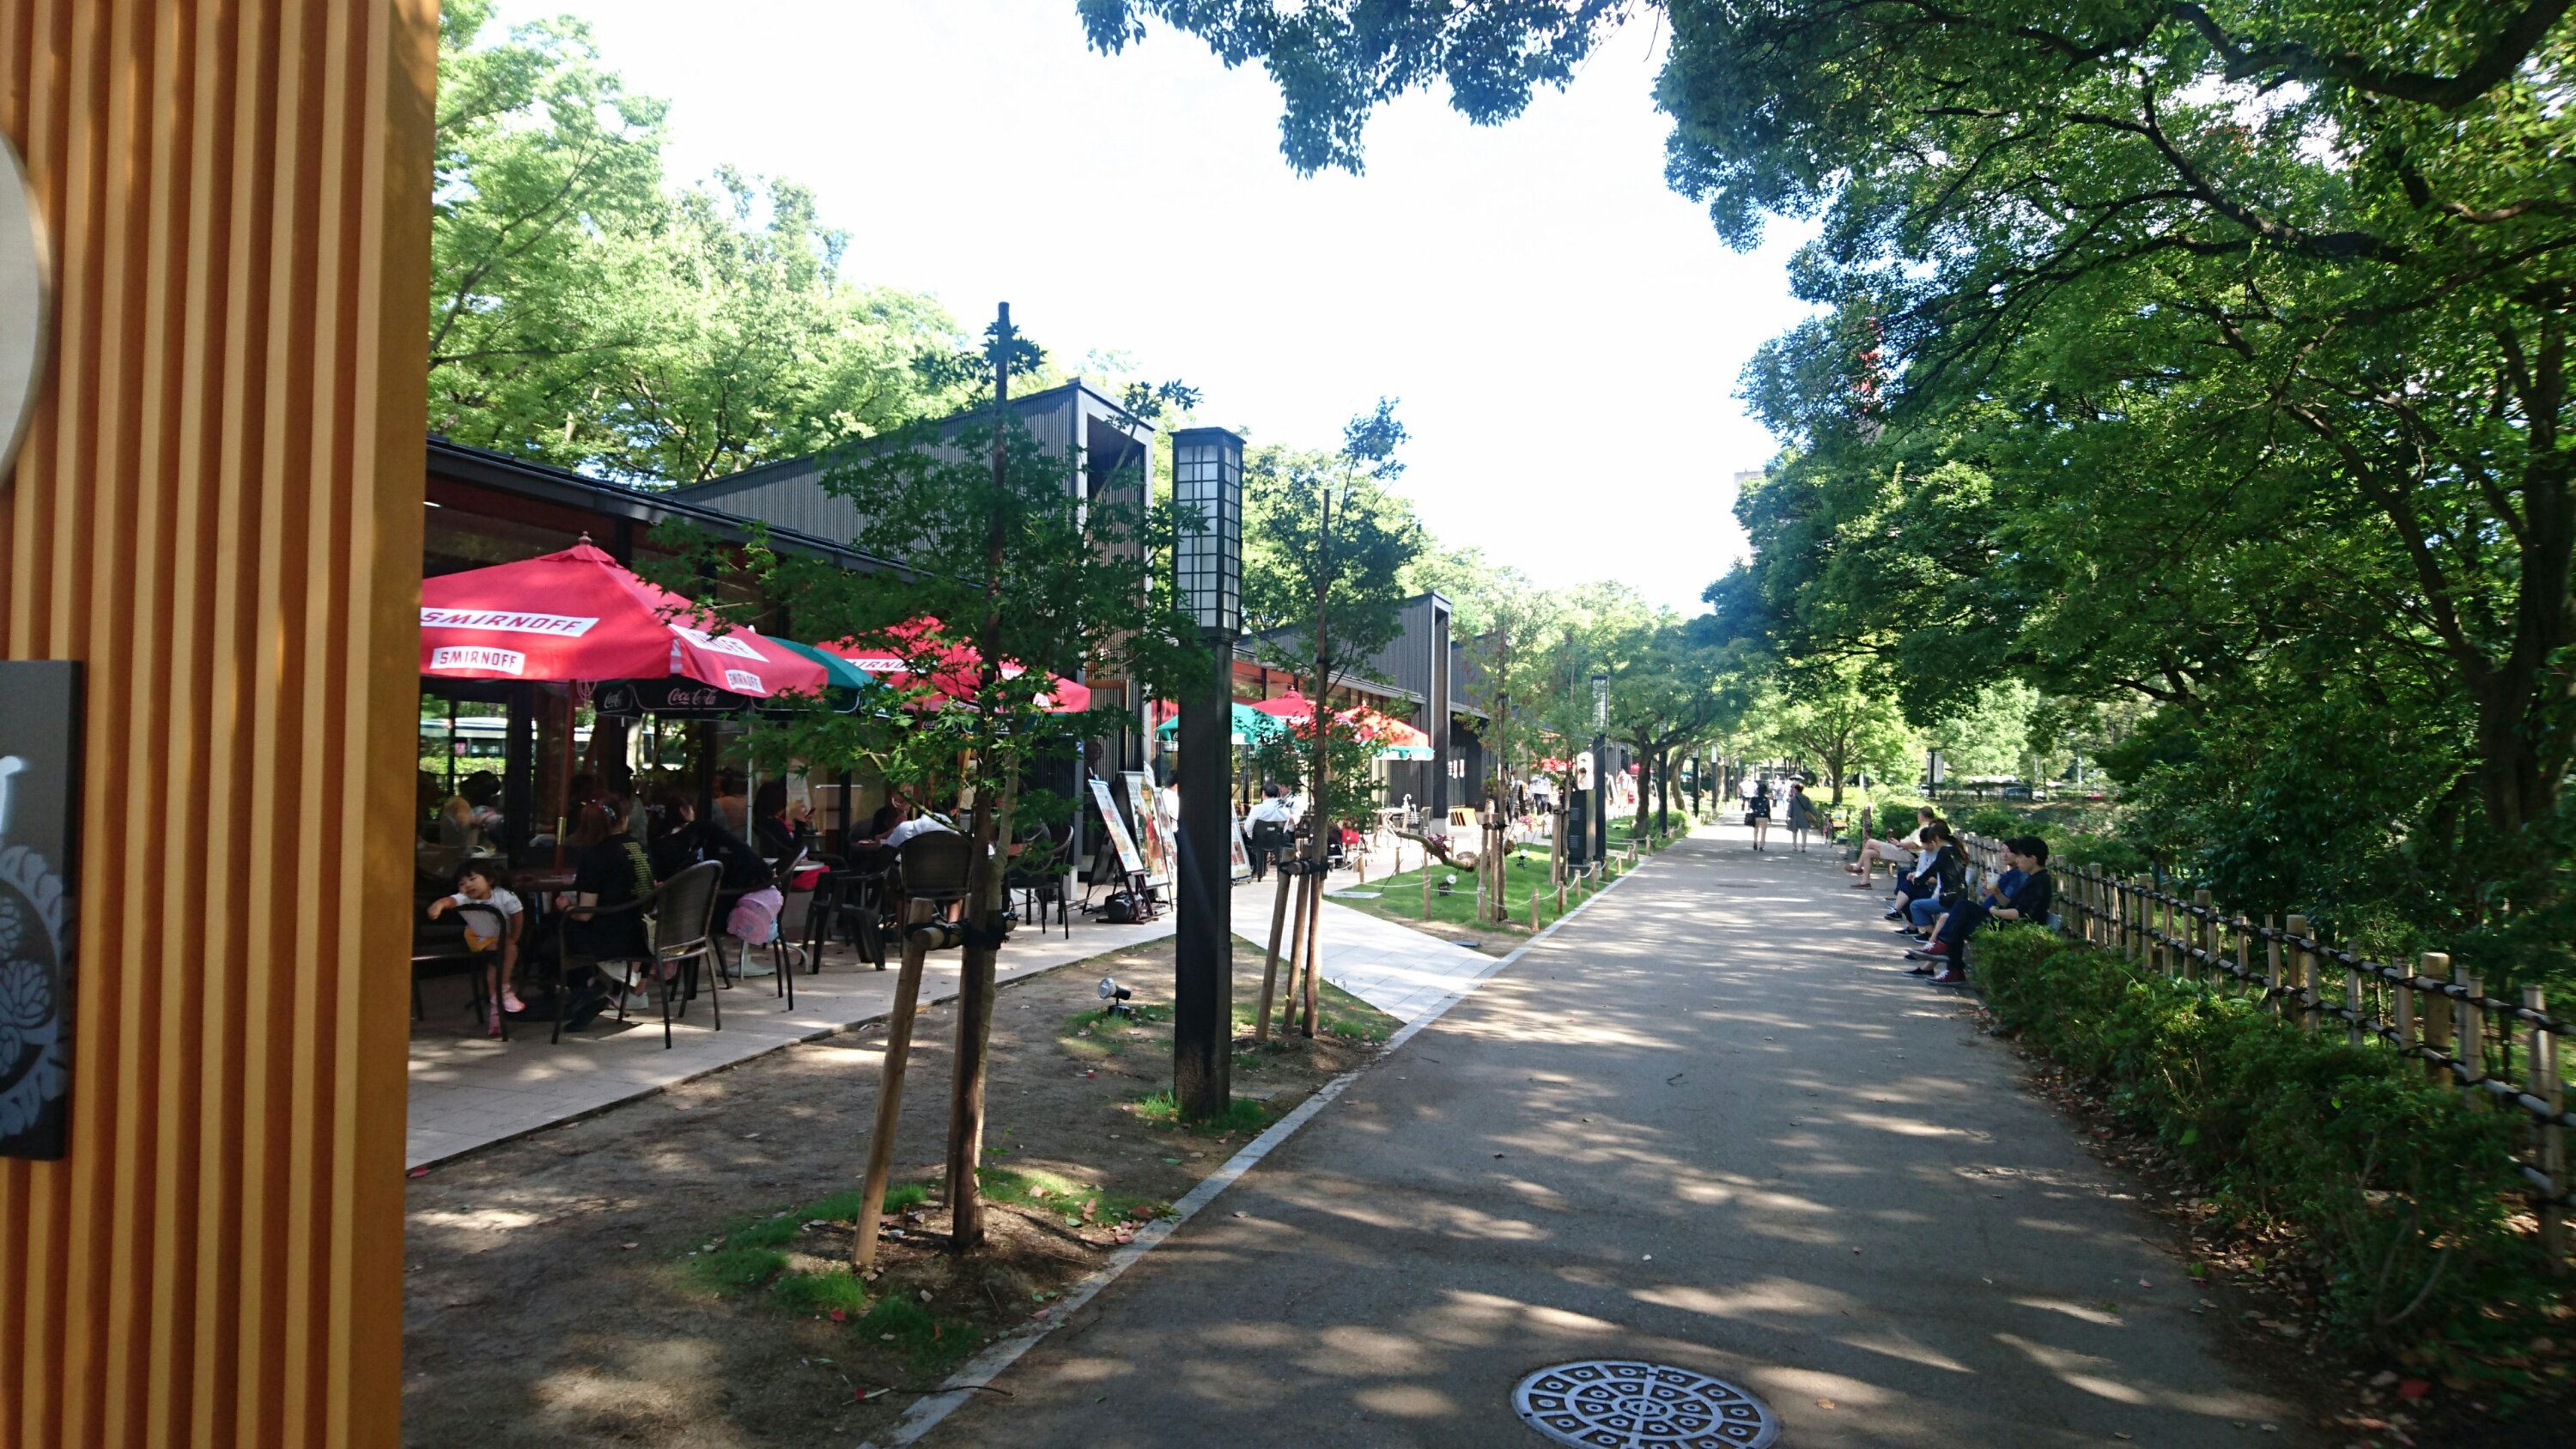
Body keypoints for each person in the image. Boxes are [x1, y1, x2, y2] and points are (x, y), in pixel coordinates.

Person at [556, 798, 656, 1028]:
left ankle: (589, 989)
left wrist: (565, 907)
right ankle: (595, 990)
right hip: (643, 934)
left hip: (612, 940)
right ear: (623, 819)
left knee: (555, 934)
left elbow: (585, 914)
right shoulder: (641, 848)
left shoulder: (595, 857)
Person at [1910, 835, 2055, 985]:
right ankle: (1952, 966)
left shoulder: (2039, 883)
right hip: (2007, 925)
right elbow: (2011, 904)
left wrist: (1995, 911)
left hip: (2014, 930)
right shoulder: (2032, 878)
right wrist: (1997, 892)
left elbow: (2020, 914)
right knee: (1959, 918)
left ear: (2033, 858)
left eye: (2021, 856)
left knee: (1962, 908)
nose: (2017, 860)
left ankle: (1949, 958)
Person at [426, 857, 524, 1035]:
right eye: (462, 883)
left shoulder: (504, 896)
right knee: (499, 952)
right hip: (479, 937)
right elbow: (449, 901)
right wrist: (438, 905)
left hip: (503, 938)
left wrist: (515, 937)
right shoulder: (464, 898)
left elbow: (517, 916)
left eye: (472, 879)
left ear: (490, 880)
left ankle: (497, 1009)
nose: (468, 885)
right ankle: (504, 990)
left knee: (508, 950)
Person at [1850, 806, 1937, 888]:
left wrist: (1899, 844)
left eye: (1918, 815)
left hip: (1909, 853)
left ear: (1922, 815)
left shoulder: (1925, 828)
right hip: (1905, 850)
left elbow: (1916, 844)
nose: (1917, 817)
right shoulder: (1925, 827)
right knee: (1867, 853)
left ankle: (1858, 867)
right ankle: (1865, 882)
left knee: (1870, 842)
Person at [1246, 783, 1294, 881]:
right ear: (1278, 794)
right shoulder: (1284, 808)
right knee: (1287, 837)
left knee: (1244, 840)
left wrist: (1253, 836)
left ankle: (1255, 870)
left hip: (1258, 840)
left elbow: (1248, 827)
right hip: (1277, 840)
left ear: (1263, 794)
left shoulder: (1257, 808)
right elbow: (1284, 828)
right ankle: (1278, 874)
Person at [1785, 782, 1817, 852]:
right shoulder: (1806, 798)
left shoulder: (1793, 799)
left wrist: (1788, 816)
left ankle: (1795, 846)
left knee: (1794, 833)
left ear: (1796, 789)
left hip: (1795, 818)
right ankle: (1803, 847)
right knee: (1804, 834)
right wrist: (1815, 814)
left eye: (1794, 789)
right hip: (1804, 818)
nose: (1793, 790)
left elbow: (1790, 809)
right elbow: (1811, 808)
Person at [1747, 779, 1773, 851]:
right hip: (1764, 816)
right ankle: (1762, 846)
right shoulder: (1766, 799)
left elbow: (1751, 806)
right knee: (1763, 831)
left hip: (1756, 815)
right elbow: (1768, 809)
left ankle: (1755, 841)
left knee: (1756, 830)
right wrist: (1769, 817)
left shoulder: (1754, 798)